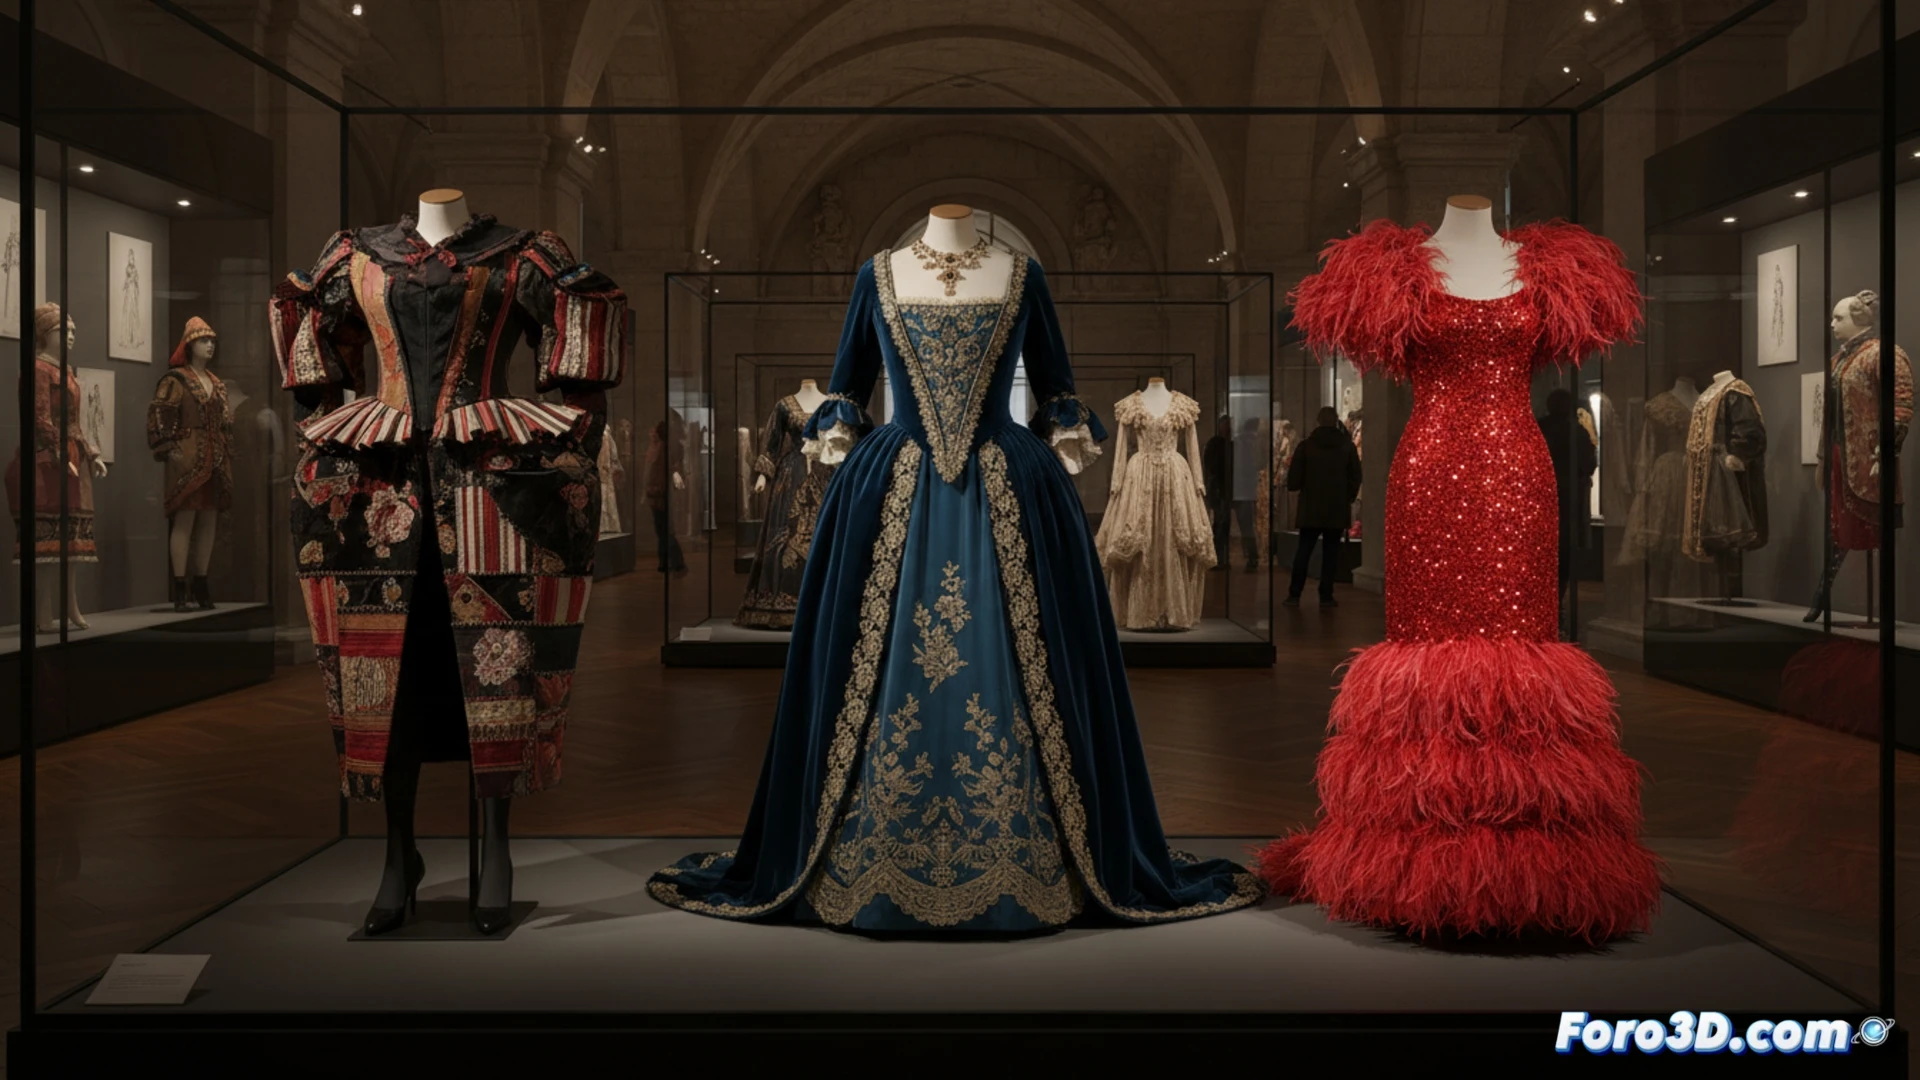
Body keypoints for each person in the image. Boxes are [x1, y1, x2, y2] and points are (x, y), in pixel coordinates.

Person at [1283, 405, 1360, 607]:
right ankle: (1326, 595)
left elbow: (1293, 481)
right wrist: (1347, 497)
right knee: (1331, 553)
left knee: (1304, 551)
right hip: (1336, 507)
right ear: (1336, 421)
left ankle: (1294, 593)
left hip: (1311, 507)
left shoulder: (1306, 446)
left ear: (1318, 421)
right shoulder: (1347, 447)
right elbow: (1356, 477)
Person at [1538, 387, 1596, 604]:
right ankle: (1557, 600)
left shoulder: (1540, 427)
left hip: (1543, 496)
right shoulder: (1577, 431)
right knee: (1563, 551)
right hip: (1568, 496)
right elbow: (1589, 464)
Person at [645, 410, 687, 573]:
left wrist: (658, 489)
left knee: (664, 529)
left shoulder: (663, 449)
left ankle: (673, 561)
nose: (651, 433)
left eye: (654, 430)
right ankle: (668, 561)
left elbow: (660, 472)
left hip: (660, 493)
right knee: (661, 529)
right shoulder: (655, 448)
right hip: (656, 493)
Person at [1201, 413, 1232, 569]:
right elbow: (1210, 466)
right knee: (1219, 523)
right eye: (1225, 425)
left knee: (1222, 524)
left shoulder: (1229, 444)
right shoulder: (1215, 444)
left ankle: (1220, 556)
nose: (1227, 428)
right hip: (1218, 488)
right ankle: (1216, 556)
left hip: (1226, 488)